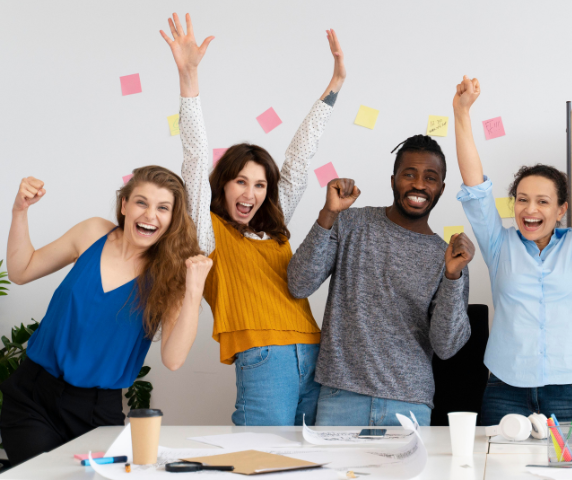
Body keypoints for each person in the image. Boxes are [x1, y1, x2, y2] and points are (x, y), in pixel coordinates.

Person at [161, 12, 345, 426]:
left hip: (315, 353)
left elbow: (298, 162)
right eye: (240, 182)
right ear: (222, 186)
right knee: (262, 461)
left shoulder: (274, 229)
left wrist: (334, 87)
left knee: (314, 465)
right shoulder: (206, 233)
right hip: (264, 356)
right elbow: (194, 159)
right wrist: (188, 77)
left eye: (260, 185)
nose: (251, 193)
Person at [1, 167, 210, 465]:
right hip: (33, 395)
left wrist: (193, 290)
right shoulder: (92, 233)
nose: (150, 214)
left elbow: (173, 359)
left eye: (163, 208)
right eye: (142, 202)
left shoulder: (171, 277)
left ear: (172, 219)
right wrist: (19, 211)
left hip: (96, 411)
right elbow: (21, 271)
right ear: (124, 205)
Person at [452, 76, 572, 426]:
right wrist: (461, 113)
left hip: (571, 386)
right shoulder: (499, 244)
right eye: (522, 200)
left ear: (561, 210)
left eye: (542, 202)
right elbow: (475, 187)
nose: (530, 210)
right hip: (505, 387)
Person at [287, 135, 474, 427]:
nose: (419, 185)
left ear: (441, 188)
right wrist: (328, 214)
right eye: (409, 174)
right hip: (341, 396)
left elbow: (446, 346)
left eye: (430, 177)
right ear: (393, 180)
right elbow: (299, 283)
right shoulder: (350, 223)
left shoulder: (448, 257)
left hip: (409, 404)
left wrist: (452, 276)